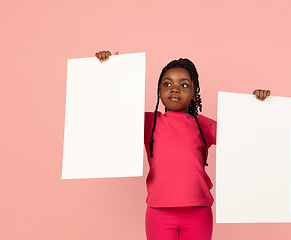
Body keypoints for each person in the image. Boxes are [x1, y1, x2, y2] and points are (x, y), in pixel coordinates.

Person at [95, 50, 270, 240]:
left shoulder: (203, 124)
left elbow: (244, 138)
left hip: (199, 212)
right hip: (158, 213)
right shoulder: (149, 122)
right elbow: (114, 112)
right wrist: (109, 70)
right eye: (167, 84)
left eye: (183, 85)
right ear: (159, 91)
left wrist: (257, 105)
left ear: (194, 94)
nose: (175, 88)